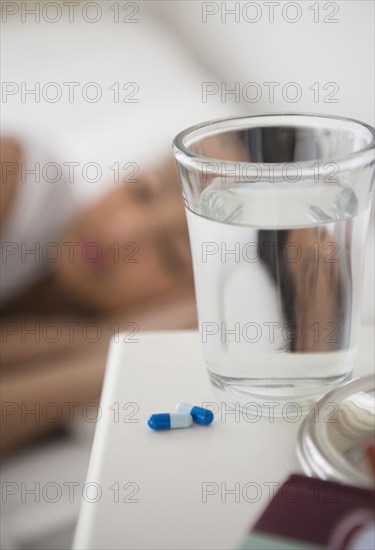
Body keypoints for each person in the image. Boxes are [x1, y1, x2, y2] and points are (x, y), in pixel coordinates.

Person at [0, 136, 196, 455]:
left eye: (172, 256)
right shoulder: (19, 179)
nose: (122, 232)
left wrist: (113, 345)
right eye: (143, 191)